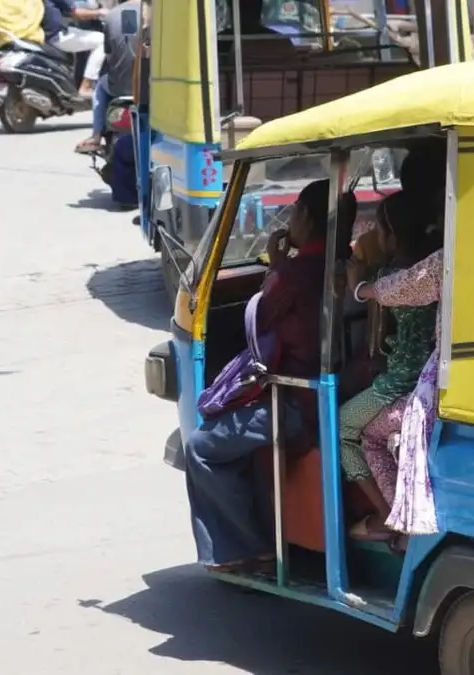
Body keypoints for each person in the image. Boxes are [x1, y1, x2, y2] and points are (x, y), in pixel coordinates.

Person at [184, 179, 353, 572]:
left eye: (294, 211)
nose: (289, 219)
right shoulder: (350, 263)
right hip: (333, 389)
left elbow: (260, 321)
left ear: (307, 218)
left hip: (298, 401)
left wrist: (278, 266)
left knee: (201, 446)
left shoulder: (295, 274)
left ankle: (245, 547)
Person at [341, 191, 439, 541]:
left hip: (399, 382)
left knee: (344, 429)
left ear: (392, 237)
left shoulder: (396, 276)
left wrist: (358, 284)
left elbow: (379, 319)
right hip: (423, 377)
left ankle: (388, 518)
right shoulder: (437, 263)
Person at [76, 0, 141, 154]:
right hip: (148, 85)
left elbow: (115, 51)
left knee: (99, 86)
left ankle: (96, 136)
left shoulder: (118, 14)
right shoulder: (154, 13)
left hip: (124, 85)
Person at [41, 0, 107, 99]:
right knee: (102, 41)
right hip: (58, 36)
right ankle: (86, 86)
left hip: (54, 32)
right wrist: (100, 12)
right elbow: (76, 12)